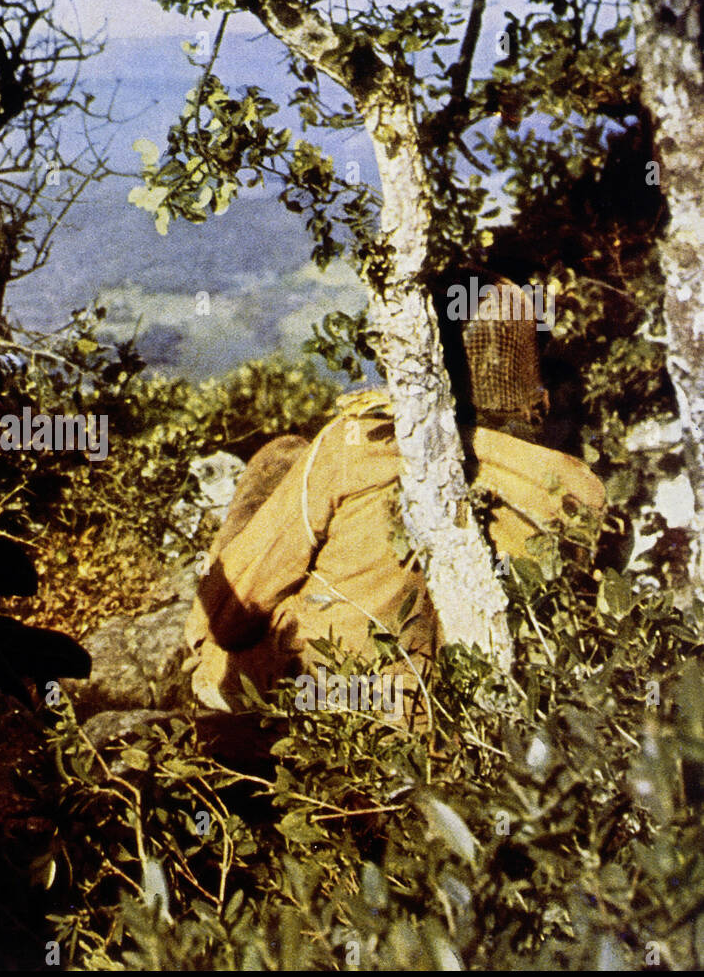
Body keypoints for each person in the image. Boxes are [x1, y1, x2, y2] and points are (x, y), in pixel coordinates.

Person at [186, 275, 606, 723]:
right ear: (531, 387)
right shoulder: (578, 492)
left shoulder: (357, 447)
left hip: (331, 703)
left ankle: (192, 671)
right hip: (464, 721)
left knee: (278, 458)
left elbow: (231, 620)